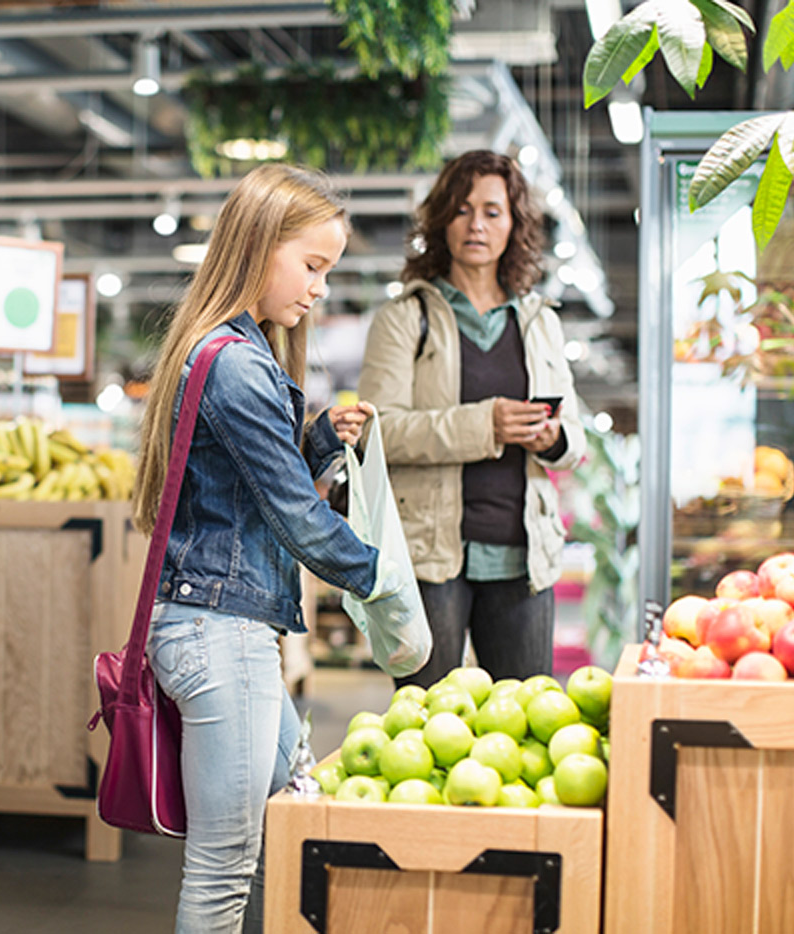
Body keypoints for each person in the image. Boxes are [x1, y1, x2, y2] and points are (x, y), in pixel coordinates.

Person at [132, 163, 414, 933]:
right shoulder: (239, 366)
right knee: (225, 870)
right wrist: (384, 579)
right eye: (313, 265)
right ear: (259, 246)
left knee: (301, 803)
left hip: (207, 625)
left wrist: (319, 440)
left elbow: (238, 485)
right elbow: (295, 517)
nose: (320, 288)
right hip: (222, 635)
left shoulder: (220, 349)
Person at [357, 149, 584, 689]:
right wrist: (488, 426)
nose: (475, 224)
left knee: (529, 722)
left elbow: (573, 440)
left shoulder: (539, 322)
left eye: (491, 211)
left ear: (514, 224)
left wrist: (551, 438)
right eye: (461, 210)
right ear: (441, 222)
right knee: (423, 727)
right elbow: (378, 429)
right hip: (431, 560)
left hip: (524, 557)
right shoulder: (405, 318)